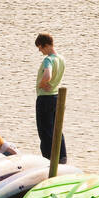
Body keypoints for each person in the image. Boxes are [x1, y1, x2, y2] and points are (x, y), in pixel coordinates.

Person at [34, 33, 67, 164]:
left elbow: (47, 75)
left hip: (44, 98)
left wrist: (42, 84)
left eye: (40, 48)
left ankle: (48, 160)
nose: (40, 51)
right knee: (56, 128)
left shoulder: (49, 60)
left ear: (46, 45)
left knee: (44, 131)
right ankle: (62, 157)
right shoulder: (61, 59)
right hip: (56, 97)